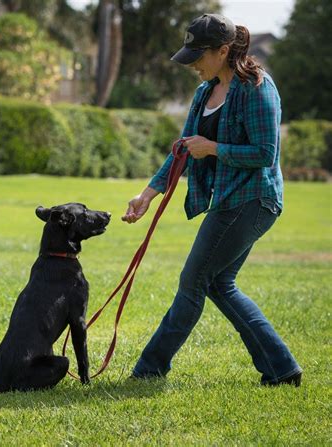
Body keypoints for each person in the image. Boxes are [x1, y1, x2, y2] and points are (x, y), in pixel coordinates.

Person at [122, 13, 302, 386]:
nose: (192, 65)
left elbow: (265, 153)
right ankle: (281, 370)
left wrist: (215, 148)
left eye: (198, 55)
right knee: (219, 284)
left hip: (255, 200)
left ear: (224, 50)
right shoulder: (205, 91)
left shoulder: (257, 88)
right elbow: (184, 149)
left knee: (193, 280)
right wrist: (147, 195)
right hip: (228, 200)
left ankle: (149, 369)